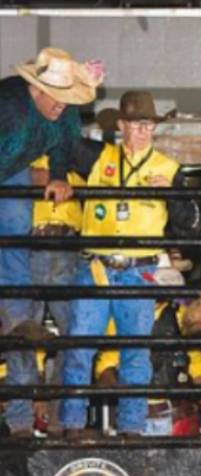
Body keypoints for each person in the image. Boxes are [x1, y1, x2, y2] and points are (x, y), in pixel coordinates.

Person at [59, 91, 199, 437]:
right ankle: (72, 424)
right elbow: (61, 137)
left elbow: (191, 220)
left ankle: (132, 427)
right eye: (136, 125)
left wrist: (173, 193)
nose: (142, 131)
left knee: (135, 354)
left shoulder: (168, 170)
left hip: (139, 270)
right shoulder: (96, 158)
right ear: (121, 126)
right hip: (97, 266)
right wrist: (74, 93)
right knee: (80, 348)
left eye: (147, 125)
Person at [0, 48, 104, 437]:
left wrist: (59, 175)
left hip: (11, 172)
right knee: (12, 228)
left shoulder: (65, 113)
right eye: (55, 97)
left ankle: (18, 313)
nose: (61, 105)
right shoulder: (8, 109)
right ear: (35, 91)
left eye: (65, 97)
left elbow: (63, 144)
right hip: (9, 169)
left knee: (13, 228)